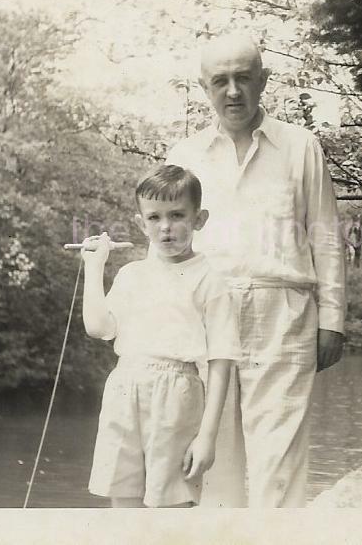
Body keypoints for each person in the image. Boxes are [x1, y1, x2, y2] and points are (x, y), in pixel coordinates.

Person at [166, 32, 347, 507]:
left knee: (279, 465)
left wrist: (333, 321)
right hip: (208, 315)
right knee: (212, 466)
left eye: (243, 78)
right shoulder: (184, 156)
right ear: (203, 87)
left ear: (263, 81)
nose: (233, 92)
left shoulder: (300, 146)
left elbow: (326, 236)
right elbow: (169, 245)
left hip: (283, 315)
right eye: (220, 81)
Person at [80, 164, 242, 508]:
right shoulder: (130, 275)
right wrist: (94, 268)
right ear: (141, 224)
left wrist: (207, 437)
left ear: (199, 219)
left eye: (178, 215)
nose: (166, 227)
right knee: (122, 499)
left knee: (171, 505)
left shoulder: (210, 281)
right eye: (154, 218)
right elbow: (98, 328)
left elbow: (222, 361)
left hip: (177, 396)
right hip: (124, 389)